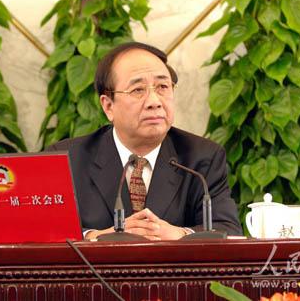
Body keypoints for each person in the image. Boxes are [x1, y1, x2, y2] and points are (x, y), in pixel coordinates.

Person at [47, 42, 242, 240]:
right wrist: (97, 237)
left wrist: (179, 234)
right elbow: (43, 232)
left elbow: (227, 229)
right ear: (108, 106)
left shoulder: (202, 158)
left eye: (163, 87)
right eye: (138, 90)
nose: (154, 102)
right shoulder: (66, 160)